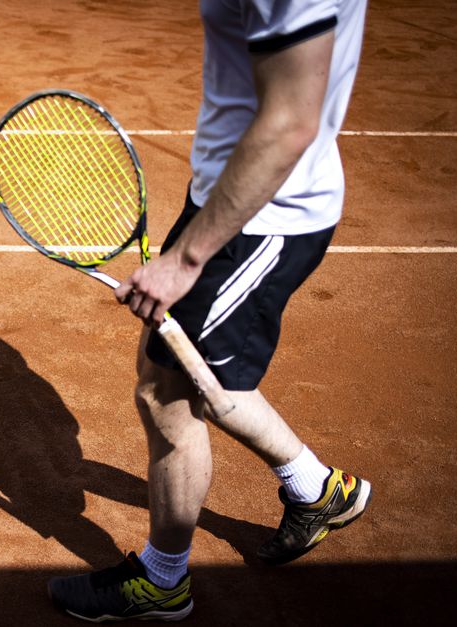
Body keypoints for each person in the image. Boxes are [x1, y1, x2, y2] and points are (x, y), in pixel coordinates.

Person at [48, 0, 372, 621]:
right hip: (230, 200)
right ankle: (317, 490)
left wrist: (187, 259)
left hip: (265, 216)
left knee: (168, 395)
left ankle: (163, 579)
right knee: (176, 376)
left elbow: (291, 120)